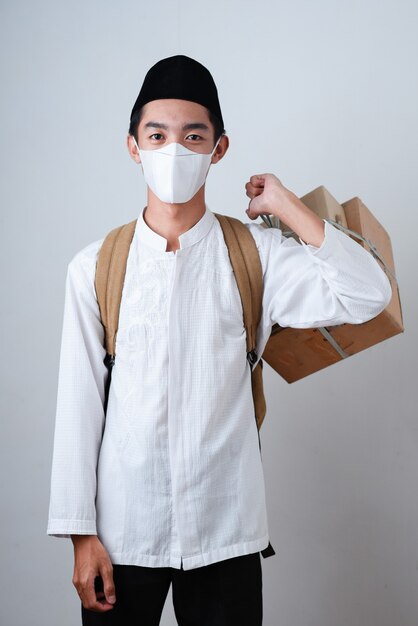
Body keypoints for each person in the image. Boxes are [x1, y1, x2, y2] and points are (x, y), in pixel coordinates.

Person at [46, 54, 392, 626]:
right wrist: (81, 537)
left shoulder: (256, 254)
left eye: (192, 136)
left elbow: (367, 294)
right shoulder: (95, 267)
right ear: (134, 146)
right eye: (157, 136)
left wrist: (288, 207)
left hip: (226, 532)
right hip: (123, 533)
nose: (174, 151)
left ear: (219, 148)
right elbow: (79, 408)